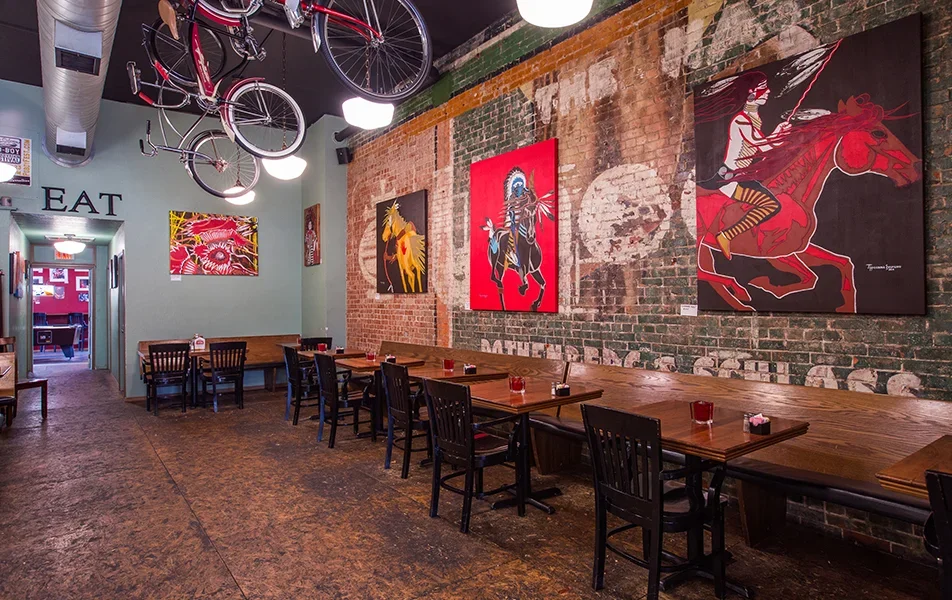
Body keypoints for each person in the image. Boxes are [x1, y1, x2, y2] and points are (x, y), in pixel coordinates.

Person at [696, 72, 791, 259]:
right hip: (730, 179)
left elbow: (764, 145)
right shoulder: (741, 120)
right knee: (770, 204)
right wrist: (778, 134)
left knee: (772, 205)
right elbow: (761, 145)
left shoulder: (753, 119)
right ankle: (726, 236)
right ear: (750, 93)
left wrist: (779, 134)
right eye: (763, 87)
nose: (768, 90)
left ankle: (726, 236)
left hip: (742, 176)